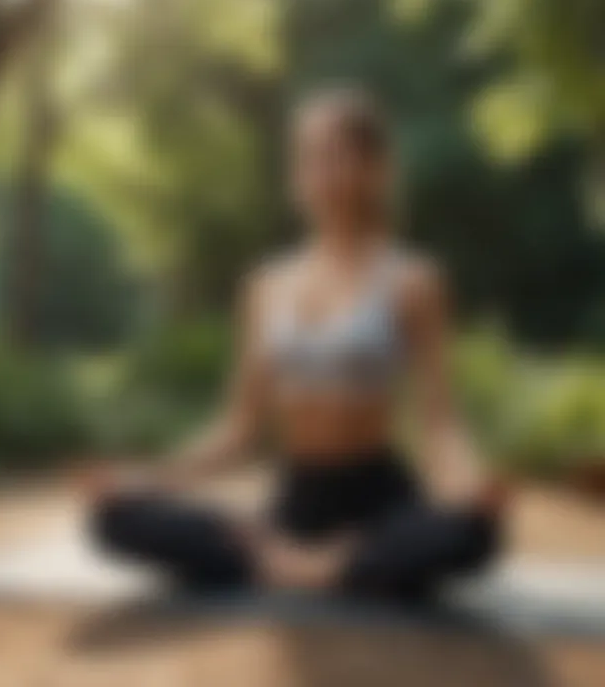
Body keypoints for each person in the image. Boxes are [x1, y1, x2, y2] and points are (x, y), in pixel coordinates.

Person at [87, 87, 507, 601]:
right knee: (112, 518)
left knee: (474, 532)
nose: (318, 170)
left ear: (374, 168)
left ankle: (328, 559)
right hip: (296, 500)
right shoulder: (264, 285)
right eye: (307, 156)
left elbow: (440, 422)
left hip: (379, 498)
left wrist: (471, 488)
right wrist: (147, 479)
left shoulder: (414, 280)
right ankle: (314, 561)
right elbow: (236, 428)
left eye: (335, 154)